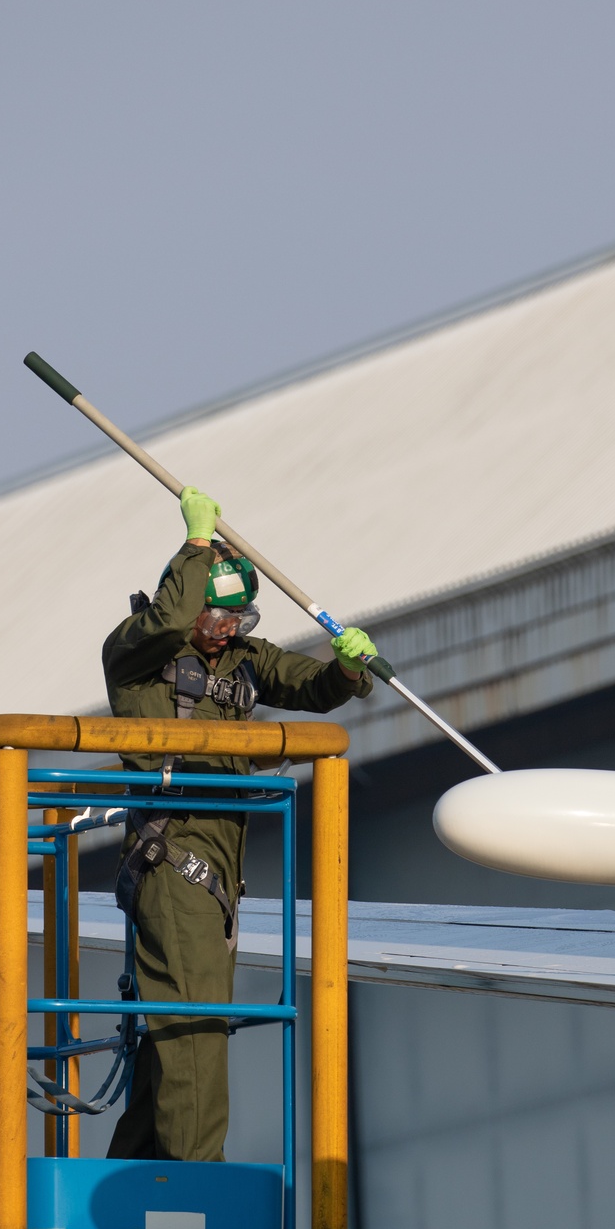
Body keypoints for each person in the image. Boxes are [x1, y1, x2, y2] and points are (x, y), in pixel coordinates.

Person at [103, 488, 375, 1161]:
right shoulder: (137, 655)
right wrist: (196, 546)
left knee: (180, 1024)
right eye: (217, 617)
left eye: (239, 617)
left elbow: (309, 686)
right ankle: (197, 1173)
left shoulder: (246, 660)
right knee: (196, 1020)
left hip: (220, 865)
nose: (229, 631)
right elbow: (168, 621)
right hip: (174, 854)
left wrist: (347, 668)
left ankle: (139, 1171)